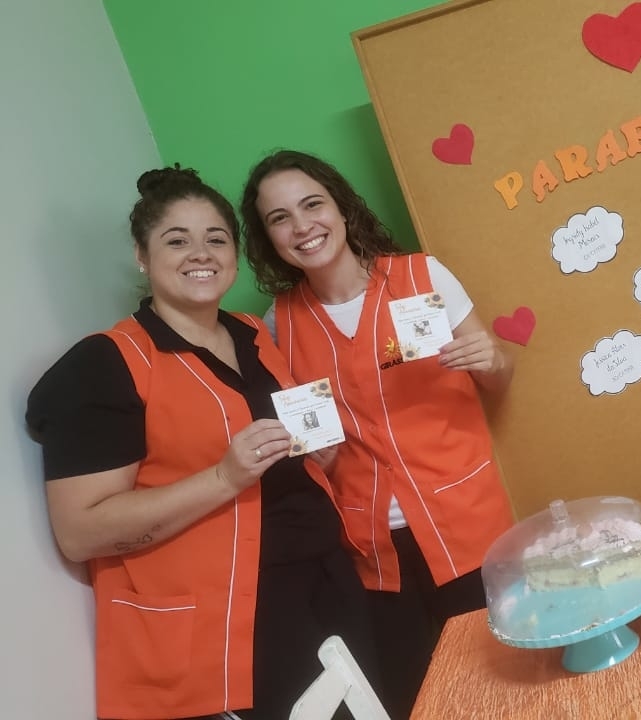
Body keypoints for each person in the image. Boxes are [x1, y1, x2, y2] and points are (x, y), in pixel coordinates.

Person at [26, 166, 377, 720]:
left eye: (216, 239)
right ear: (141, 256)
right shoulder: (105, 364)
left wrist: (315, 459)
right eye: (177, 240)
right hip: (233, 622)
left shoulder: (251, 331)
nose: (201, 254)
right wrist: (223, 477)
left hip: (325, 583)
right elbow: (80, 533)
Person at [240, 150, 516, 719]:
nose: (302, 226)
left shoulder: (421, 277)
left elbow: (499, 376)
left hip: (465, 524)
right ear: (269, 238)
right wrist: (315, 454)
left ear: (341, 207)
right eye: (280, 218)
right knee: (421, 698)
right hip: (371, 550)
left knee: (508, 677)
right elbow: (312, 445)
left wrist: (493, 360)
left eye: (313, 204)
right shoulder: (278, 324)